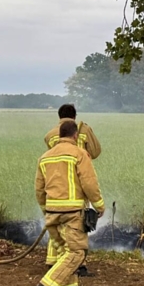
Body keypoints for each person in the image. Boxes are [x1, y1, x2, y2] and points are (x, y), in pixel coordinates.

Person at [34, 119, 105, 286]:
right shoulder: (79, 154)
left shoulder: (45, 157)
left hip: (52, 211)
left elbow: (39, 189)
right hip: (72, 211)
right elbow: (89, 182)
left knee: (62, 250)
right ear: (75, 136)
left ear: (58, 136)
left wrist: (45, 209)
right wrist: (99, 206)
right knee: (76, 252)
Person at [43, 104, 102, 273]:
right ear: (74, 117)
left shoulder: (51, 134)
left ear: (59, 116)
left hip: (55, 185)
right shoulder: (82, 130)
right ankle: (78, 265)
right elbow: (96, 152)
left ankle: (53, 260)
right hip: (76, 185)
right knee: (77, 227)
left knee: (57, 223)